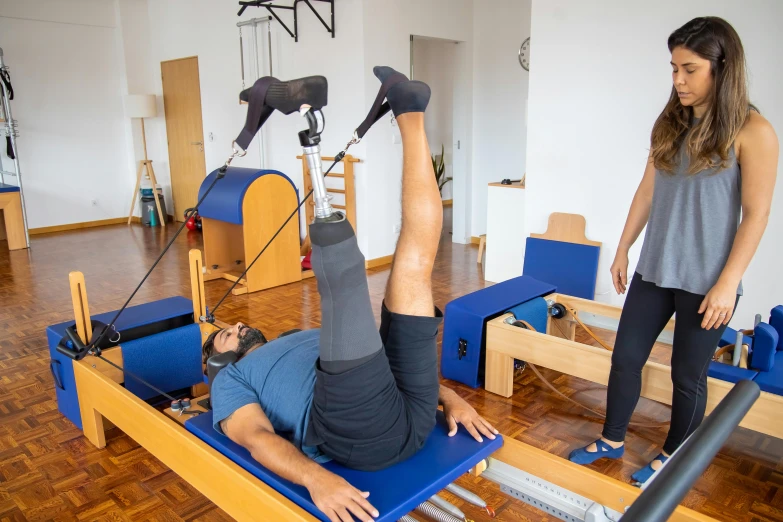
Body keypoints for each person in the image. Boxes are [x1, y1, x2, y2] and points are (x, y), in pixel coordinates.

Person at [201, 67, 499, 522]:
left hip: (408, 401)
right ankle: (308, 111)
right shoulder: (230, 382)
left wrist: (447, 397)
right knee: (344, 281)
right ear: (217, 362)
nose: (237, 325)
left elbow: (374, 371)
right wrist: (314, 478)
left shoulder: (291, 338)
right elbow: (256, 437)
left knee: (417, 259)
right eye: (225, 336)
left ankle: (410, 111)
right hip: (367, 437)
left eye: (233, 327)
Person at [568, 16, 778, 485]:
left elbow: (757, 214)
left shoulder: (753, 130)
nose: (678, 80)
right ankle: (612, 438)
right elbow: (647, 190)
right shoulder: (671, 122)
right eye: (673, 69)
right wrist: (623, 248)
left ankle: (674, 455)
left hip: (709, 282)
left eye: (690, 69)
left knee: (688, 376)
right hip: (655, 269)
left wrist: (727, 284)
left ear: (722, 68)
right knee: (625, 359)